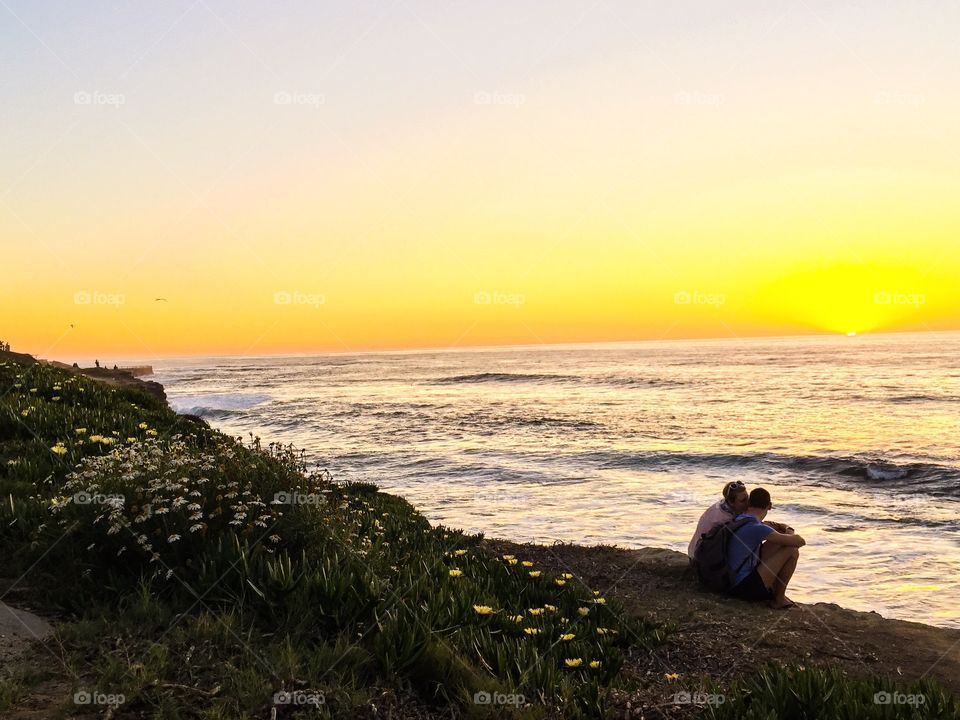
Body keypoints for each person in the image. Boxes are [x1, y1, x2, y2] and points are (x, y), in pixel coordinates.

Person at [727, 488, 805, 609]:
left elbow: (769, 531)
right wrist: (789, 530)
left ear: (749, 503)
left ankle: (774, 591)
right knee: (792, 549)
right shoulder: (757, 527)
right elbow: (799, 541)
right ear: (769, 506)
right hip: (744, 588)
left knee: (778, 541)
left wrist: (780, 529)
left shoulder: (741, 519)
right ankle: (779, 598)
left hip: (731, 581)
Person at [687, 480, 749, 562]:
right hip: (700, 560)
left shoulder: (724, 505)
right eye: (743, 500)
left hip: (696, 552)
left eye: (748, 497)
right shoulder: (723, 520)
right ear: (731, 502)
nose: (748, 503)